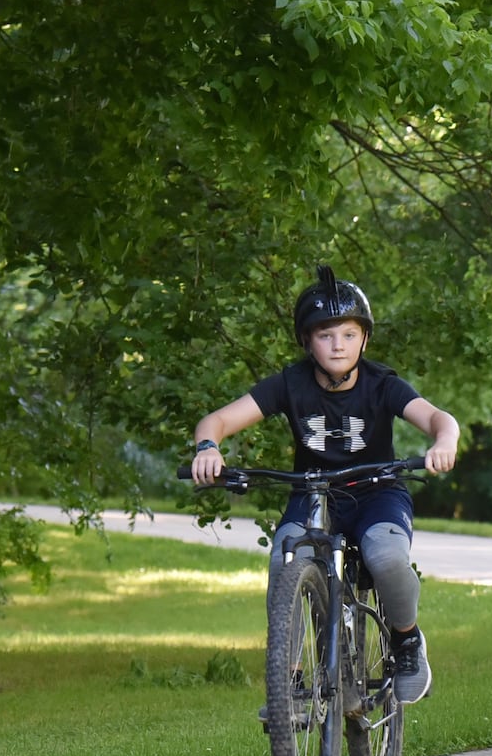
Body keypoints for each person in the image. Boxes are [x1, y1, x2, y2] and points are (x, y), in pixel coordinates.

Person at [190, 265, 460, 705]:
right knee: (285, 558)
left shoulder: (382, 384)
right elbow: (217, 420)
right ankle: (290, 681)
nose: (338, 345)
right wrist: (208, 447)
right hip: (313, 494)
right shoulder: (289, 384)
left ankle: (407, 640)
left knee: (387, 557)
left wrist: (444, 441)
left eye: (349, 334)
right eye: (325, 335)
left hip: (377, 493)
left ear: (365, 339)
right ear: (306, 341)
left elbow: (437, 418)